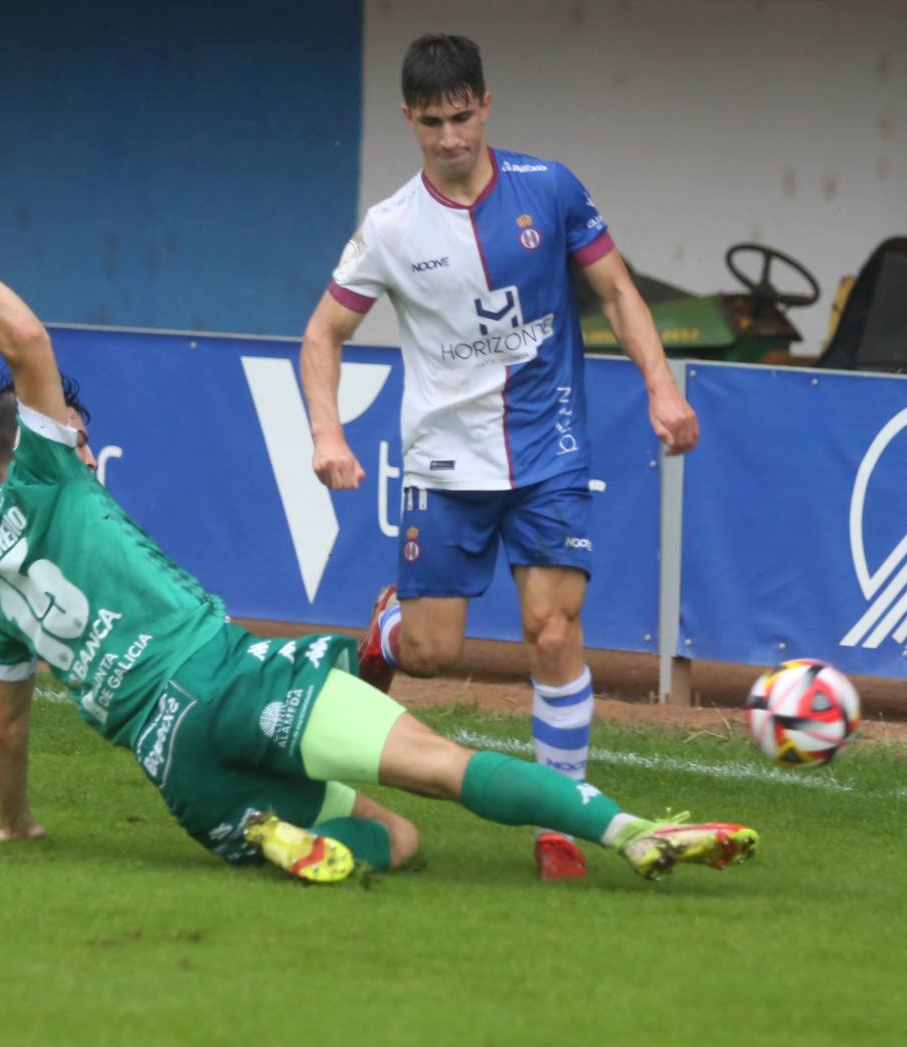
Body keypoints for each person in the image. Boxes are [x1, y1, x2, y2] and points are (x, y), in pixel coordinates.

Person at [0, 214, 755, 885]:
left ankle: (280, 833)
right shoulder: (53, 470)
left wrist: (15, 822)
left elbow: (6, 732)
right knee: (442, 770)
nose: (88, 450)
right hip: (226, 677)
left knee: (397, 837)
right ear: (55, 436)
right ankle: (629, 830)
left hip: (181, 772)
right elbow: (29, 342)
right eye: (80, 436)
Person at [299, 34, 698, 881]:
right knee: (437, 652)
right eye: (432, 122)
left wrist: (661, 388)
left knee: (552, 630)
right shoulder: (391, 228)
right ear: (409, 118)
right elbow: (323, 334)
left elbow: (616, 290)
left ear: (486, 104)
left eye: (462, 116)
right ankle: (391, 625)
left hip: (550, 448)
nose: (451, 137)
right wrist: (327, 432)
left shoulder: (549, 190)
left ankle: (562, 820)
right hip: (444, 464)